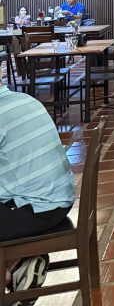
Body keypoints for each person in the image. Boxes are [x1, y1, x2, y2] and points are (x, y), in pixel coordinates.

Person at [0, 78, 77, 305]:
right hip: (59, 201)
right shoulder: (24, 99)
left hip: (36, 208)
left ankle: (9, 273)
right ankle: (20, 263)